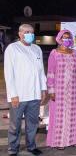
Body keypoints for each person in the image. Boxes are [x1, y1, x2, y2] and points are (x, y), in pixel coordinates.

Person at [4, 24, 47, 156]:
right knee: (15, 125)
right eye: (26, 32)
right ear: (20, 34)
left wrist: (43, 89)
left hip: (34, 95)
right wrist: (13, 95)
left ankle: (31, 146)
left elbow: (40, 72)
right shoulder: (12, 49)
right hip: (19, 95)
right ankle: (13, 149)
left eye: (32, 32)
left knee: (32, 124)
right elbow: (9, 73)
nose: (30, 34)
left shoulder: (37, 49)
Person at [46, 30, 76, 149]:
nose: (66, 39)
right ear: (59, 39)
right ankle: (60, 142)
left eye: (68, 37)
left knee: (73, 114)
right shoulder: (54, 53)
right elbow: (51, 72)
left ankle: (73, 140)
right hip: (59, 89)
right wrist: (51, 90)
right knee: (60, 116)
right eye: (64, 37)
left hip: (72, 90)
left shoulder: (74, 53)